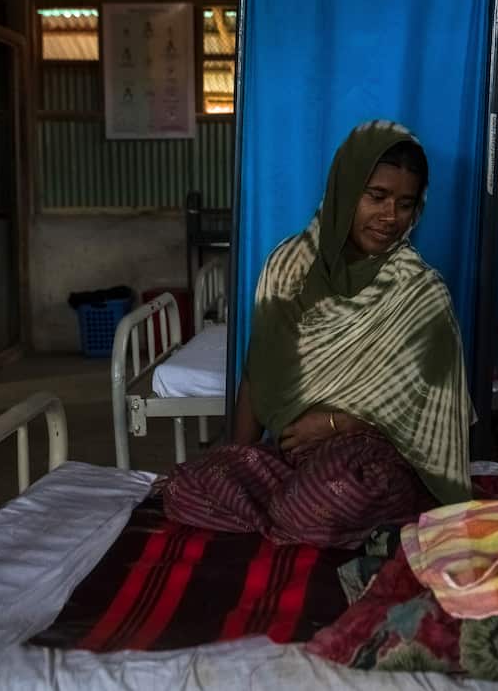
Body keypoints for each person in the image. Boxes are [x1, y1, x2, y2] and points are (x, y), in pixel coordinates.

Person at [162, 120, 474, 548]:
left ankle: (304, 515)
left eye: (405, 204)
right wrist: (236, 456)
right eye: (376, 197)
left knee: (329, 495)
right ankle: (301, 515)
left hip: (373, 458)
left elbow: (437, 411)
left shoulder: (420, 291)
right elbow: (259, 371)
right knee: (185, 485)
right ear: (345, 191)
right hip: (293, 459)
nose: (390, 217)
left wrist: (333, 423)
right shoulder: (289, 267)